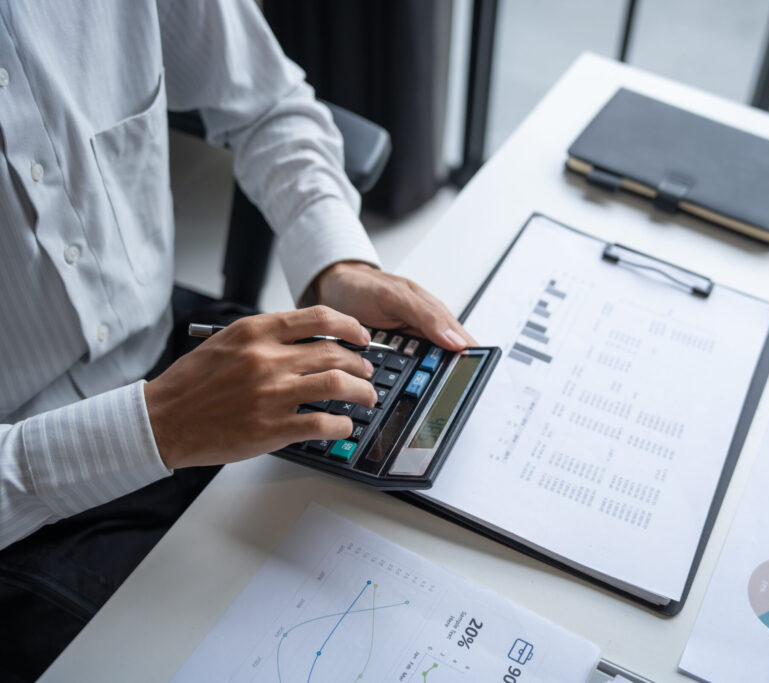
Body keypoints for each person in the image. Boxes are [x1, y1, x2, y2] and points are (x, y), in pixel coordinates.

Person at [0, 1, 472, 679]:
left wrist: (334, 261)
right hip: (22, 514)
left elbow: (269, 103)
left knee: (420, 551)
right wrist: (158, 425)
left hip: (167, 355)